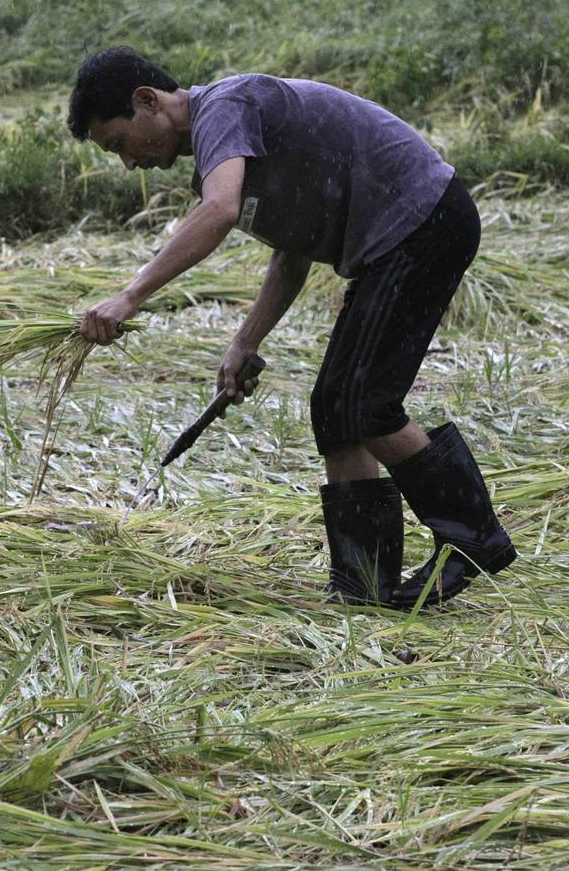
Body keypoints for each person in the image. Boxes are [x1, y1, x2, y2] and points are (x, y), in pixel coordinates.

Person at [68, 46, 515, 608]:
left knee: (366, 404)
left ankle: (474, 537)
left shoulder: (224, 108)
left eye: (117, 144)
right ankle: (363, 586)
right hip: (395, 244)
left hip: (423, 222)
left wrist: (130, 295)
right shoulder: (224, 148)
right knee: (335, 409)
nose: (128, 163)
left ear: (147, 101)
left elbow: (219, 211)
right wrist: (245, 341)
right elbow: (290, 255)